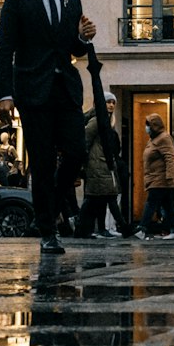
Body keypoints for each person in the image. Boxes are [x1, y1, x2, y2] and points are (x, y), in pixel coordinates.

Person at [0, 0, 96, 255]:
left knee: (77, 152)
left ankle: (48, 211)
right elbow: (4, 50)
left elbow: (74, 48)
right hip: (32, 91)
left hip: (66, 89)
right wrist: (4, 95)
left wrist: (83, 39)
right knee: (40, 162)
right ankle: (49, 231)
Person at [76, 94, 127, 238]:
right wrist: (84, 163)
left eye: (113, 103)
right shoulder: (97, 120)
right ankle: (121, 227)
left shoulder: (107, 121)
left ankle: (93, 229)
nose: (111, 105)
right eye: (108, 102)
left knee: (100, 198)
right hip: (96, 164)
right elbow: (85, 140)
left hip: (103, 164)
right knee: (101, 197)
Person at [137, 113, 174, 238]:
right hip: (156, 177)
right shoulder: (153, 139)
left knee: (151, 202)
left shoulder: (163, 138)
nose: (147, 128)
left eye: (148, 125)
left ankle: (142, 228)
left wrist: (170, 176)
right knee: (167, 204)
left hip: (160, 178)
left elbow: (170, 157)